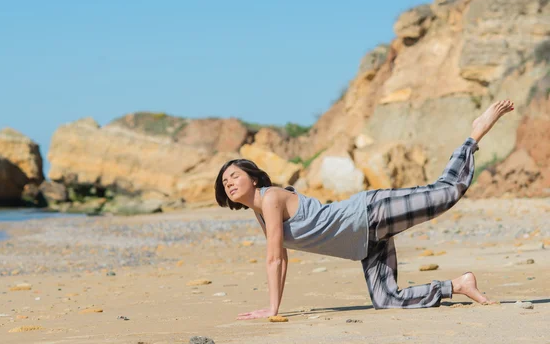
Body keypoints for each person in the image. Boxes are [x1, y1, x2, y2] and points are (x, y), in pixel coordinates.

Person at [214, 100, 515, 320]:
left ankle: (474, 135)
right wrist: (274, 304)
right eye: (225, 181)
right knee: (387, 300)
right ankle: (458, 285)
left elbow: (275, 258)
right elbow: (282, 258)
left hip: (371, 212)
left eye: (235, 176)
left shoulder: (269, 199)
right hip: (364, 242)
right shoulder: (261, 213)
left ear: (253, 178)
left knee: (446, 192)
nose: (229, 183)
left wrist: (273, 308)